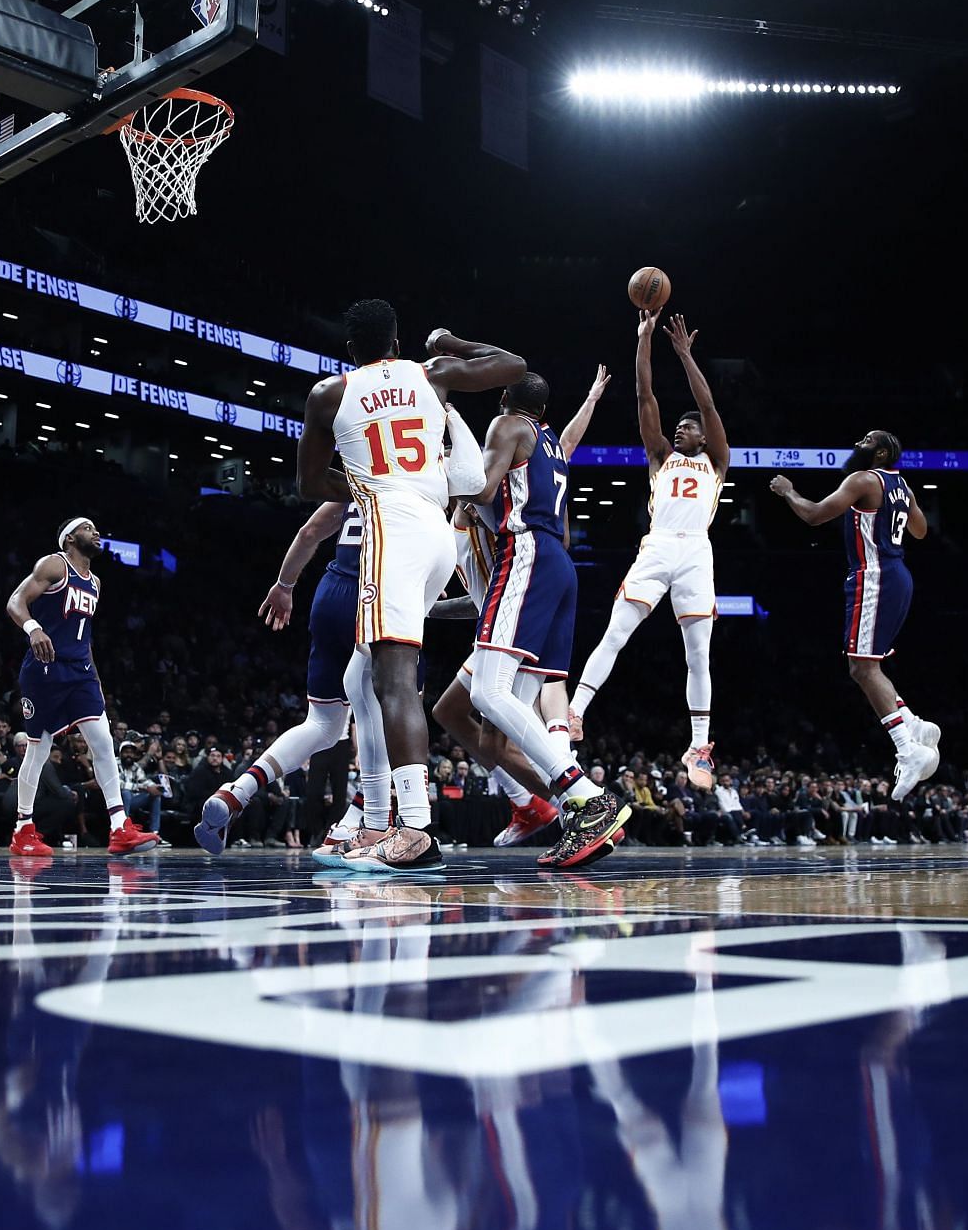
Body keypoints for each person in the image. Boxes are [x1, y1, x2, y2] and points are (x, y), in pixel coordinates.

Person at [297, 299, 526, 870]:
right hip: (437, 528)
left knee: (392, 677)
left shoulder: (330, 394)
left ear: (351, 350)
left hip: (391, 528)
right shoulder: (433, 374)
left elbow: (307, 485)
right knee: (363, 675)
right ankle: (372, 822)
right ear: (397, 342)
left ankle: (414, 831)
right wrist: (450, 343)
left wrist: (365, 484)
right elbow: (515, 365)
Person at [462, 372, 628, 868]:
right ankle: (578, 810)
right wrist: (593, 397)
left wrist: (443, 473)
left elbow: (482, 487)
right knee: (505, 719)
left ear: (506, 399)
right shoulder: (551, 443)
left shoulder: (506, 424)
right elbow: (573, 436)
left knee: (482, 693)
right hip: (560, 563)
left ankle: (584, 796)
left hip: (527, 554)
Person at [570, 312, 731, 790]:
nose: (681, 429)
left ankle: (698, 745)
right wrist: (643, 340)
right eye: (679, 426)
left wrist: (685, 355)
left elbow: (708, 403)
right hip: (658, 546)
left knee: (698, 653)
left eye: (689, 427)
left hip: (697, 554)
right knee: (615, 632)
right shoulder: (661, 458)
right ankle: (575, 714)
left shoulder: (717, 460)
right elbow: (645, 395)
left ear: (704, 436)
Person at [767, 430, 941, 799]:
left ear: (879, 453)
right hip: (899, 575)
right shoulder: (900, 484)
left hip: (874, 576)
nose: (857, 443)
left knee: (862, 667)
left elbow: (814, 515)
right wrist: (905, 503)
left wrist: (787, 492)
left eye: (866, 440)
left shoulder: (863, 479)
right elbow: (922, 531)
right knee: (869, 664)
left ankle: (908, 750)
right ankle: (915, 725)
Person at [194, 501, 358, 853]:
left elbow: (309, 532)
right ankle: (362, 822)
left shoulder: (355, 474)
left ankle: (239, 790)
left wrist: (284, 586)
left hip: (329, 594)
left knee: (324, 725)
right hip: (375, 595)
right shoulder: (415, 477)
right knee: (395, 712)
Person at [3, 519, 156, 857]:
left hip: (80, 670)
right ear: (70, 538)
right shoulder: (54, 564)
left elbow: (84, 637)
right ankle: (23, 829)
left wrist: (97, 682)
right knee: (38, 749)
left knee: (103, 742)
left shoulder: (96, 583)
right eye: (88, 528)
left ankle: (119, 827)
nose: (96, 532)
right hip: (45, 668)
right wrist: (32, 628)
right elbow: (15, 601)